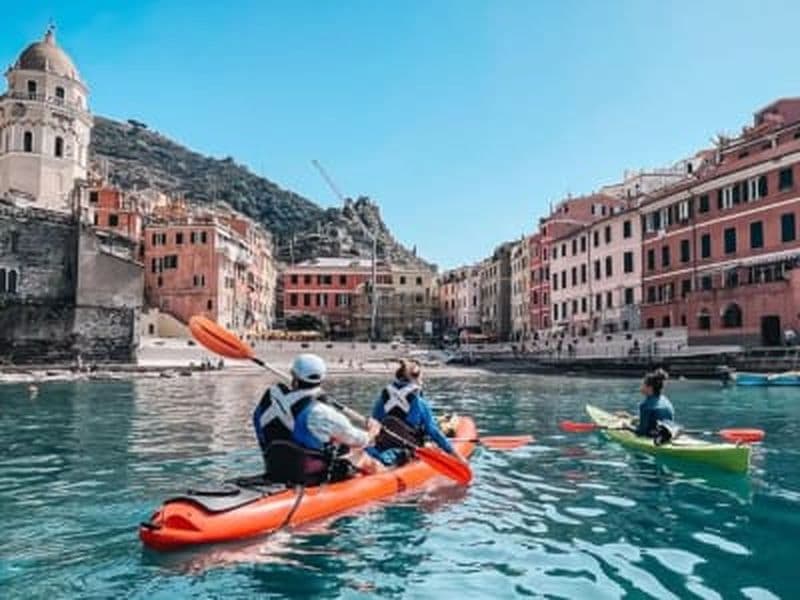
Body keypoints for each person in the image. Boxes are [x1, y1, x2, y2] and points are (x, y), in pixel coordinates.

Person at [253, 353, 380, 485]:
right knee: (360, 455)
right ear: (322, 379)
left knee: (334, 440)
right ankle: (385, 480)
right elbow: (359, 440)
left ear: (293, 375)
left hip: (275, 469)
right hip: (309, 476)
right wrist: (373, 431)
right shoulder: (322, 412)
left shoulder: (271, 396)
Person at [366, 359, 459, 466]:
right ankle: (395, 459)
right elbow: (434, 432)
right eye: (421, 377)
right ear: (416, 378)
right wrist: (456, 455)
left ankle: (374, 458)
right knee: (425, 438)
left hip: (384, 444)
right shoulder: (418, 401)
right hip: (409, 447)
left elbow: (374, 423)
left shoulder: (383, 397)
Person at [623, 368, 675, 440]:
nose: (640, 387)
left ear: (650, 388)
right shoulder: (665, 400)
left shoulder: (645, 405)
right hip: (669, 433)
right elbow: (656, 417)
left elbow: (640, 433)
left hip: (654, 436)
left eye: (643, 384)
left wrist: (627, 427)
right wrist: (633, 418)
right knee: (634, 421)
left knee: (630, 424)